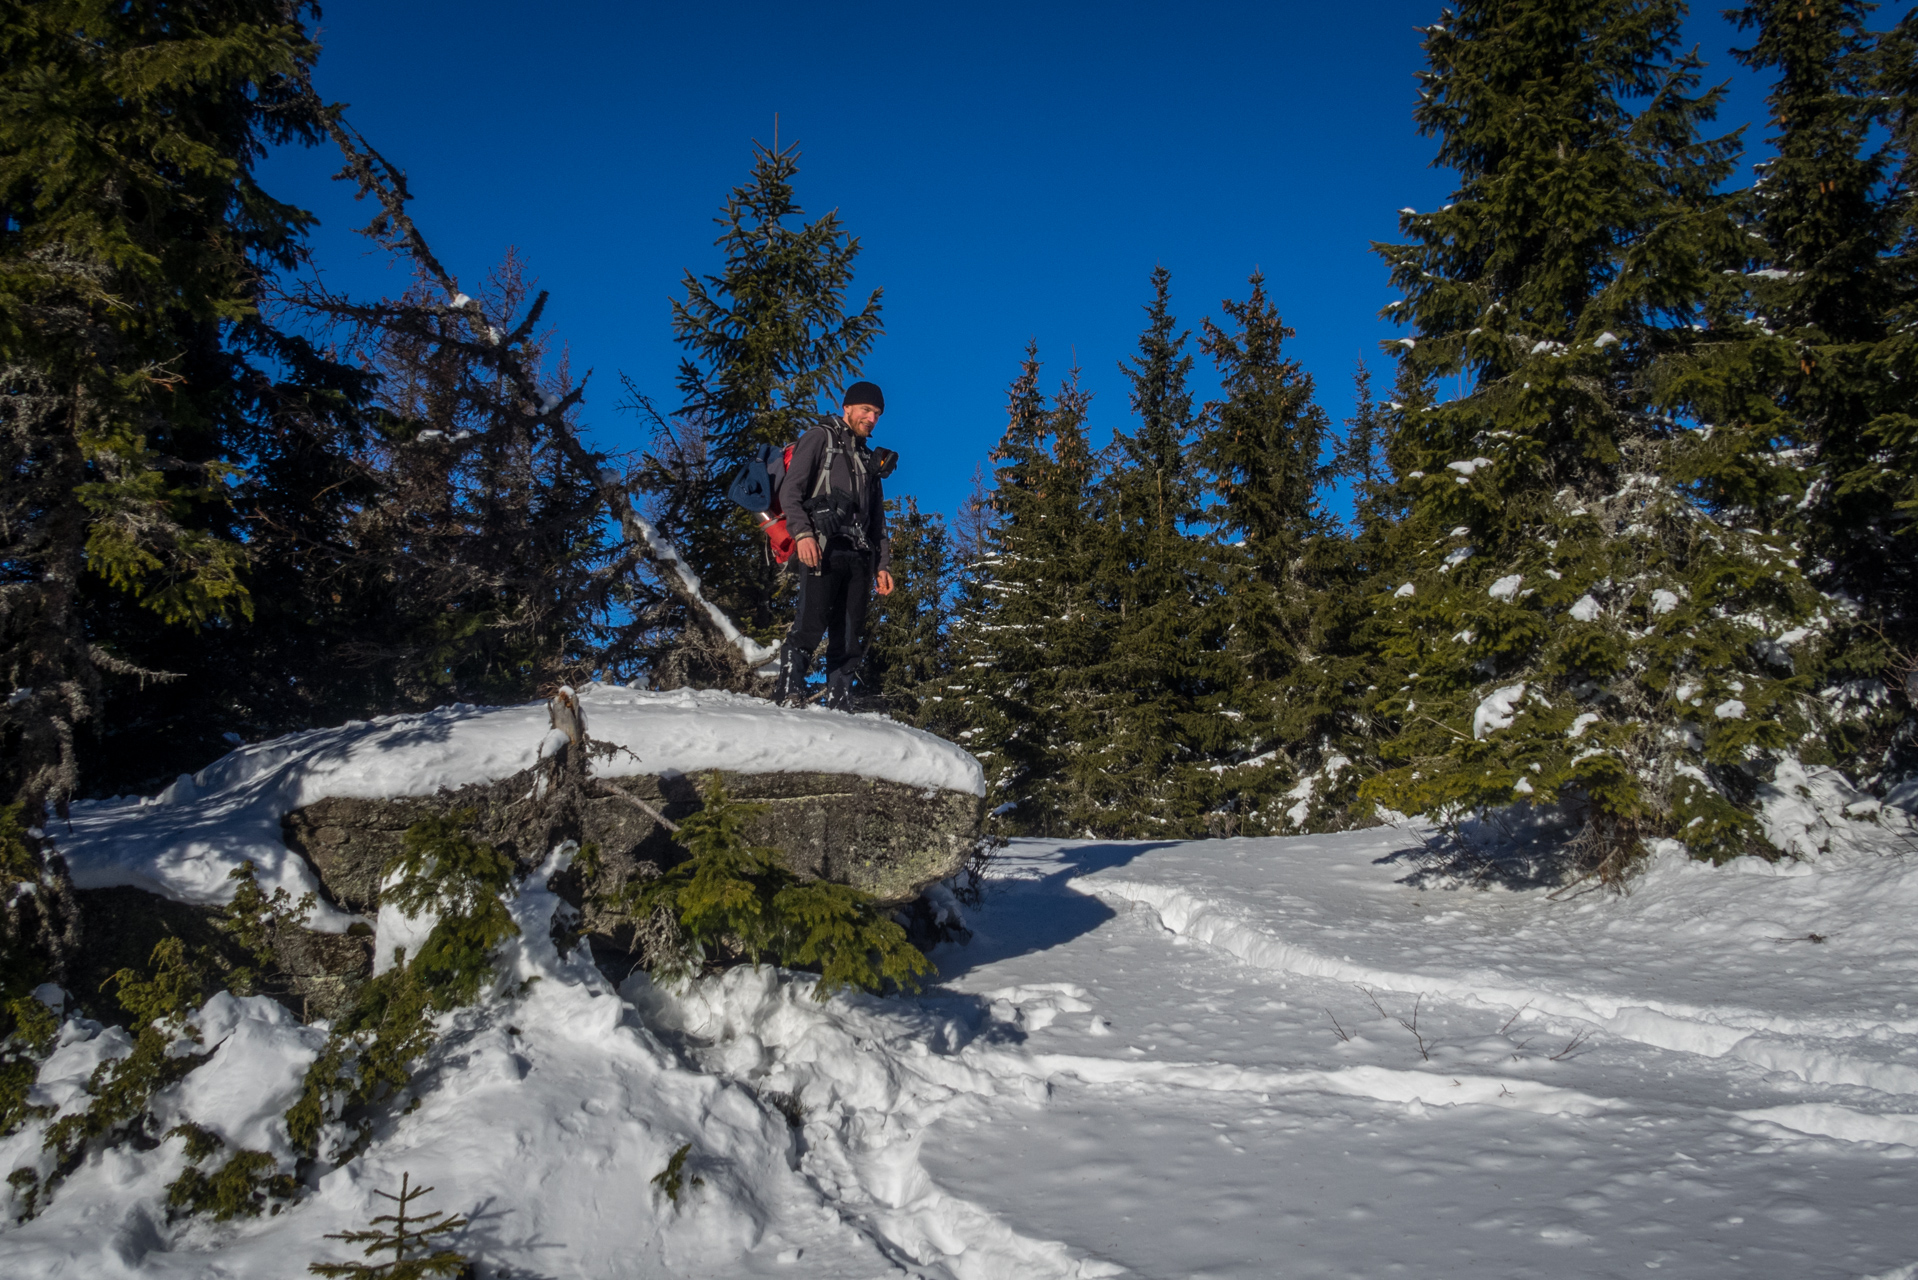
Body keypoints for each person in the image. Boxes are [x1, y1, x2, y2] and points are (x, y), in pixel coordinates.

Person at [774, 381, 896, 710]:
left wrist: (882, 565)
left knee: (849, 633)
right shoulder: (820, 438)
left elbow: (877, 518)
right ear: (848, 408)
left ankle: (840, 700)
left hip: (859, 554)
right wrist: (803, 534)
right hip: (822, 546)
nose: (871, 418)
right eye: (866, 410)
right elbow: (790, 492)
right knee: (811, 623)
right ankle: (788, 690)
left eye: (877, 413)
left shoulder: (870, 459)